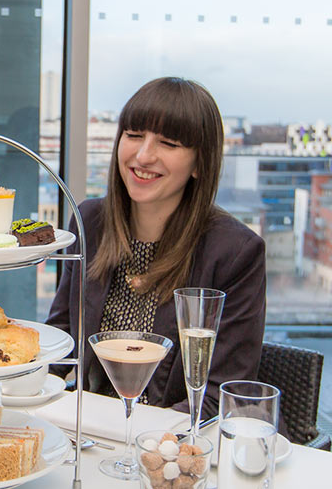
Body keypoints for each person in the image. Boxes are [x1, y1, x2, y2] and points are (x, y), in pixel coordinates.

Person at [46, 77, 266, 418]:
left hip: (172, 446)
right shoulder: (90, 221)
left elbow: (221, 396)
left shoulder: (235, 251)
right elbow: (61, 347)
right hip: (91, 432)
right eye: (133, 136)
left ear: (199, 164)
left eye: (169, 143)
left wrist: (138, 438)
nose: (143, 155)